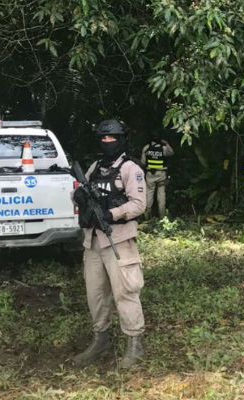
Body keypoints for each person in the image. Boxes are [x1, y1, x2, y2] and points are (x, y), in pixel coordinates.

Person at [72, 119, 147, 369]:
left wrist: (112, 214)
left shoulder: (130, 168)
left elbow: (139, 204)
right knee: (95, 294)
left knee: (125, 291)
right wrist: (79, 196)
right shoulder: (94, 167)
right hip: (92, 241)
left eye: (111, 138)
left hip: (118, 239)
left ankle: (135, 344)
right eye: (103, 139)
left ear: (122, 139)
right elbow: (83, 192)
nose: (107, 143)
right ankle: (100, 339)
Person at [141, 130, 174, 217]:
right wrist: (166, 143)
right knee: (161, 195)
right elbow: (171, 153)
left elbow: (143, 163)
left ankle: (147, 215)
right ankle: (162, 216)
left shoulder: (146, 148)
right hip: (161, 174)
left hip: (150, 174)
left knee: (148, 194)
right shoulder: (164, 148)